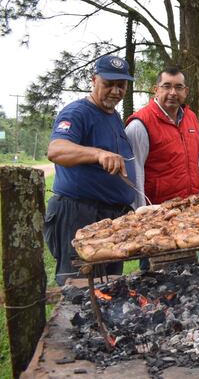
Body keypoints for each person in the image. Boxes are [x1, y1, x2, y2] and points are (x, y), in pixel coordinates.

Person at [44, 55, 136, 285]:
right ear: (93, 80)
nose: (115, 91)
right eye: (109, 84)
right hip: (80, 214)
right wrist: (98, 154)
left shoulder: (114, 116)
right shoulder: (77, 112)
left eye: (121, 85)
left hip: (113, 217)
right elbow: (56, 149)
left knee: (111, 285)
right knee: (80, 286)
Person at [125, 66, 199, 208]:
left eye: (178, 87)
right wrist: (140, 213)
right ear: (156, 90)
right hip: (158, 211)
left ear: (186, 91)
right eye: (166, 86)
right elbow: (134, 172)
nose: (172, 93)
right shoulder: (140, 124)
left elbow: (197, 162)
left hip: (191, 207)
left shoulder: (191, 118)